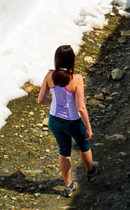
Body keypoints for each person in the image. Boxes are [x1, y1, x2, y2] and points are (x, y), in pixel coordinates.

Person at [38, 45, 102, 197]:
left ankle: (68, 186)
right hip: (73, 121)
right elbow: (81, 107)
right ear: (72, 60)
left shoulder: (49, 76)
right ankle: (90, 171)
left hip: (54, 120)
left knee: (64, 152)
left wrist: (53, 103)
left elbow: (40, 100)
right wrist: (88, 126)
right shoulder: (77, 79)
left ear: (57, 60)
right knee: (84, 146)